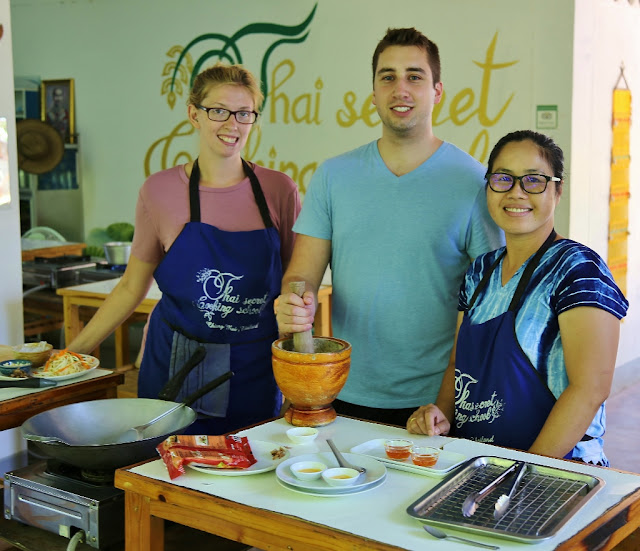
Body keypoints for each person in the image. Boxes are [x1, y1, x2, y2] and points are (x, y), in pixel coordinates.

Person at [275, 28, 503, 426]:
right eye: (388, 77)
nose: (401, 88)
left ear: (437, 91)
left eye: (415, 76)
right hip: (340, 389)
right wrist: (295, 303)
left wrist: (446, 404)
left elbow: (488, 304)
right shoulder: (333, 176)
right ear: (374, 92)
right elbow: (301, 274)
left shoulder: (473, 183)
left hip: (434, 404)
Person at [69, 63, 301, 434]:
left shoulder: (279, 190)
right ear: (194, 114)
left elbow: (297, 280)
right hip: (175, 362)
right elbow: (132, 286)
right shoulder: (159, 191)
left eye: (244, 113)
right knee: (165, 472)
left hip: (253, 364)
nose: (232, 124)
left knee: (248, 468)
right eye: (219, 111)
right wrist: (72, 354)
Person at [407, 130, 628, 465]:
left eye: (534, 180)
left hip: (557, 472)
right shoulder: (480, 272)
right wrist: (441, 416)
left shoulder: (578, 270)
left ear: (558, 190)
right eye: (503, 179)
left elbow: (590, 388)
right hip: (478, 464)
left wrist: (528, 472)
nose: (516, 192)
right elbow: (458, 366)